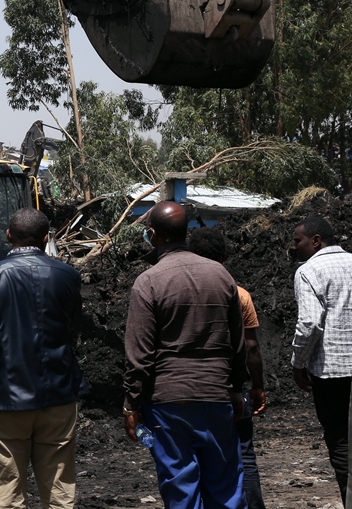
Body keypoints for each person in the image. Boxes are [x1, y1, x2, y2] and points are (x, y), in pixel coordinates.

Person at [0, 208, 86, 509]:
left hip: (5, 403)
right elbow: (71, 327)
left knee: (6, 495)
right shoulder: (68, 276)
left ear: (8, 236)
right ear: (46, 238)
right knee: (59, 494)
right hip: (58, 397)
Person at [123, 201, 247, 509]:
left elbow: (139, 353)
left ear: (153, 234)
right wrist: (236, 389)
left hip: (169, 402)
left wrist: (131, 404)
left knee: (180, 486)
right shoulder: (221, 275)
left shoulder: (148, 282)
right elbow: (238, 343)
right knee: (226, 483)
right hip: (216, 395)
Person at [189, 227, 266, 509]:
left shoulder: (177, 289)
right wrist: (257, 386)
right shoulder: (240, 294)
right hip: (230, 388)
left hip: (187, 388)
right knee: (243, 455)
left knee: (192, 458)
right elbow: (251, 347)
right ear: (224, 256)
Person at [290, 215, 352, 505]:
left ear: (315, 241)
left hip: (332, 372)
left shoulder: (309, 270)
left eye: (297, 241)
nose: (294, 247)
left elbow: (310, 324)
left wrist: (298, 363)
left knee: (340, 441)